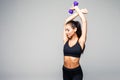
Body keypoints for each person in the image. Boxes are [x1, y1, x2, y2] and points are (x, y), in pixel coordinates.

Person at [62, 5, 88, 80]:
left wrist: (76, 8)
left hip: (76, 72)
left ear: (75, 29)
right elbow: (66, 22)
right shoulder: (66, 40)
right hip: (65, 71)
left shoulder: (81, 41)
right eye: (65, 30)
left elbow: (84, 21)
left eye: (68, 30)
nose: (66, 32)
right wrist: (79, 12)